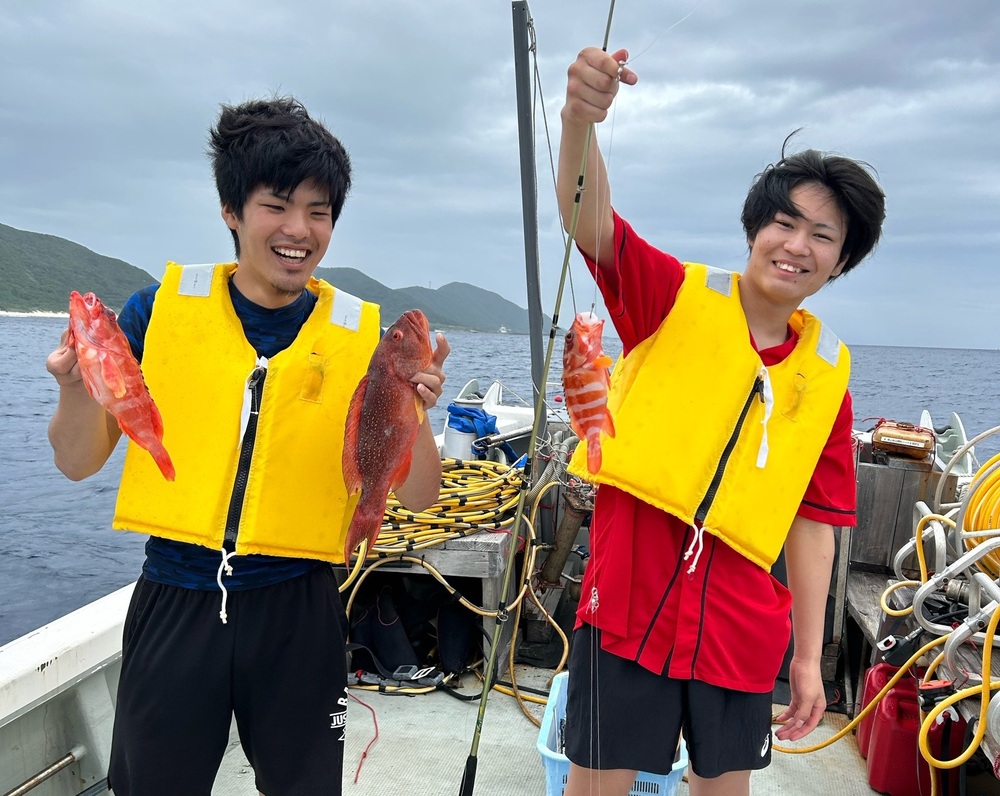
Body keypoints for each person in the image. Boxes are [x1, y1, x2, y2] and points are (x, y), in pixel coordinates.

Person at [45, 96, 450, 796]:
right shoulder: (154, 313)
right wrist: (77, 387)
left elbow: (421, 496)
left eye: (319, 211)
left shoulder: (366, 340)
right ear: (231, 210)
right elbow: (76, 462)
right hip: (176, 594)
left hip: (301, 608)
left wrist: (413, 408)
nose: (299, 230)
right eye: (277, 205)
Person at [556, 48, 885, 796]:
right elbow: (589, 219)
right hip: (628, 603)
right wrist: (580, 120)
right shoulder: (671, 296)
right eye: (783, 223)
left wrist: (809, 659)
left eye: (823, 236)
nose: (796, 246)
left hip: (739, 628)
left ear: (841, 262)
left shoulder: (827, 382)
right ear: (753, 229)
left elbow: (814, 525)